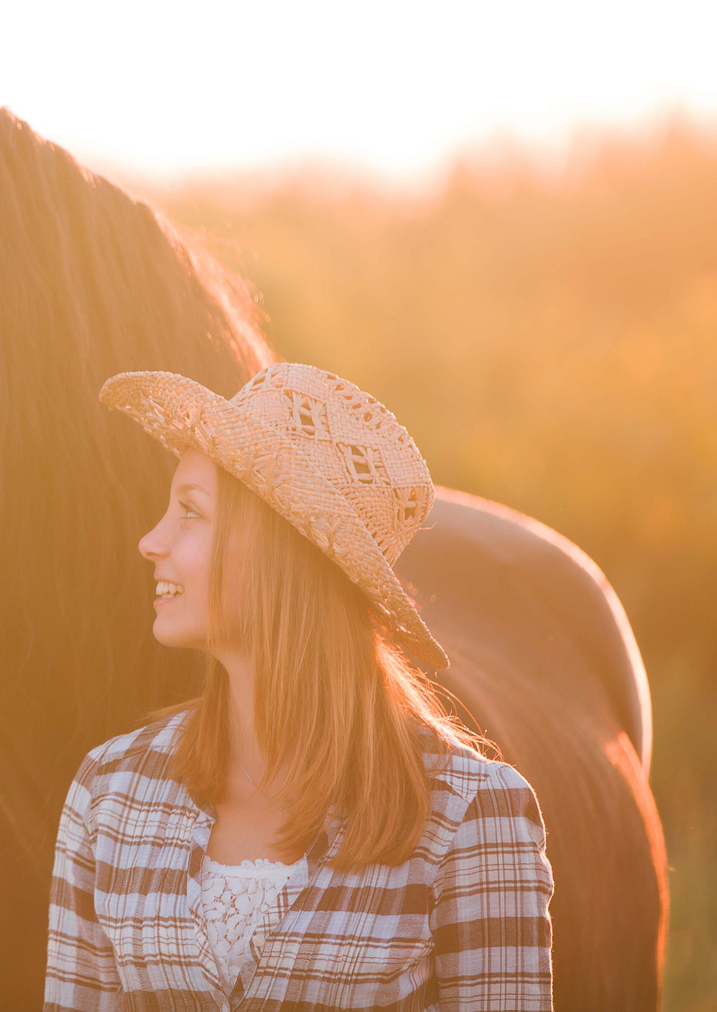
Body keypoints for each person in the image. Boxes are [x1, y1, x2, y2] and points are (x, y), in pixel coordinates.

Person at [43, 362, 555, 1011]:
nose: (151, 541)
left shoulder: (470, 816)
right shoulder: (109, 793)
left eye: (190, 514)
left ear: (279, 546)